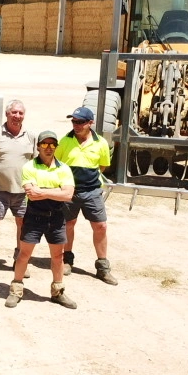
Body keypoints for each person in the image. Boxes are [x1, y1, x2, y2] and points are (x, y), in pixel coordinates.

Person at [5, 130, 78, 309]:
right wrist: (56, 192)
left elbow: (68, 194)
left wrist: (42, 191)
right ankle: (16, 289)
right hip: (34, 216)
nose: (48, 148)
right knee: (24, 254)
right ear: (38, 146)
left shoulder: (64, 168)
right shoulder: (29, 166)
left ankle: (58, 292)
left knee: (58, 256)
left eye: (52, 144)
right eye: (45, 144)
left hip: (56, 218)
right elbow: (32, 194)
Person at [56, 106, 116, 285]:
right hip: (69, 192)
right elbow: (56, 163)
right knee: (68, 224)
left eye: (80, 122)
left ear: (90, 123)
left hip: (92, 192)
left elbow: (103, 166)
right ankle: (67, 260)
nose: (76, 125)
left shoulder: (101, 143)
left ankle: (103, 267)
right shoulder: (64, 141)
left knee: (101, 226)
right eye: (74, 121)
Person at [0, 100, 35, 276]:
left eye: (20, 113)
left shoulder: (31, 136)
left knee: (23, 224)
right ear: (7, 114)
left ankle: (20, 260)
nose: (17, 116)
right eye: (14, 113)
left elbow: (34, 161)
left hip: (23, 191)